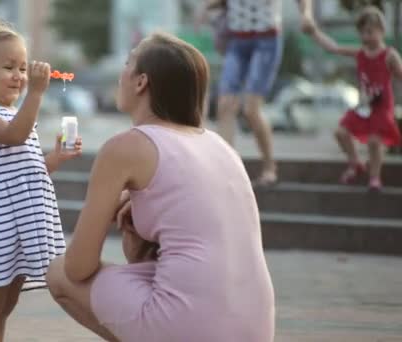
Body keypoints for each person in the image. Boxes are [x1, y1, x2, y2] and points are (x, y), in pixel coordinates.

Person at [46, 32, 275, 342]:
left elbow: (78, 268)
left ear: (141, 82)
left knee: (57, 273)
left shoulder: (125, 148)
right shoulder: (219, 145)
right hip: (255, 328)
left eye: (128, 63)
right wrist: (137, 217)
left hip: (188, 326)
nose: (121, 75)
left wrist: (110, 207)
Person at [0, 19, 82, 342]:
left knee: (6, 304)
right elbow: (14, 136)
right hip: (2, 224)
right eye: (9, 67)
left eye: (23, 69)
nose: (20, 77)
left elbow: (29, 171)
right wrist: (36, 93)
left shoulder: (14, 116)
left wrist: (56, 157)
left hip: (23, 220)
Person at [195, 0, 315, 186]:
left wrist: (306, 15)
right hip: (236, 40)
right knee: (224, 105)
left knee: (251, 110)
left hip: (266, 40)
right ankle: (226, 170)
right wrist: (204, 10)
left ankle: (269, 167)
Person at [304, 6, 401, 191]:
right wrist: (314, 32)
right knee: (341, 132)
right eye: (363, 33)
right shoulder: (360, 53)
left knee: (375, 141)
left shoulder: (389, 55)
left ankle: (374, 176)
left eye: (370, 32)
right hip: (364, 105)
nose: (366, 37)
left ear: (381, 30)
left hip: (382, 106)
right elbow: (334, 47)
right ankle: (355, 163)